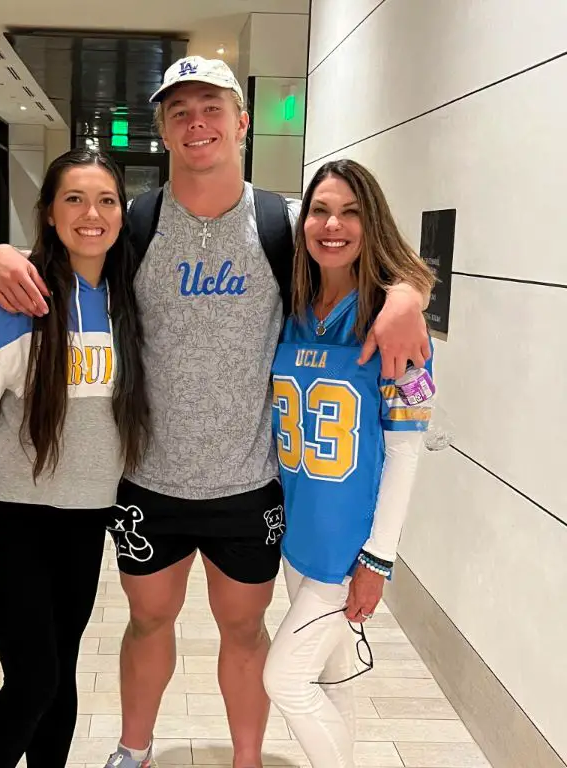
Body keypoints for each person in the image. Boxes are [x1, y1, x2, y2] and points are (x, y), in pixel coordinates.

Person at [0, 57, 431, 768]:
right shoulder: (137, 224)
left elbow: (359, 258)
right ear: (162, 128)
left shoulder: (284, 223)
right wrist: (0, 253)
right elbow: (62, 257)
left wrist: (409, 293)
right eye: (180, 110)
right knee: (148, 621)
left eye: (213, 107)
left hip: (250, 485)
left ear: (242, 121)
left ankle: (246, 760)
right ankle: (134, 749)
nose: (198, 122)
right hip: (148, 480)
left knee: (245, 632)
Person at [0, 148, 149, 768]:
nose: (91, 214)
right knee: (33, 679)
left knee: (62, 673)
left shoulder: (130, 302)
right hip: (10, 517)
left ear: (122, 214)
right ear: (49, 214)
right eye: (73, 199)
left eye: (106, 200)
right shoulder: (13, 304)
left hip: (86, 519)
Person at [262, 159, 436, 768]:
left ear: (373, 223)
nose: (332, 225)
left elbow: (406, 450)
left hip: (346, 551)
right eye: (320, 210)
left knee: (283, 681)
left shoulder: (392, 322)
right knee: (335, 681)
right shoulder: (295, 303)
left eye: (350, 213)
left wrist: (378, 560)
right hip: (297, 535)